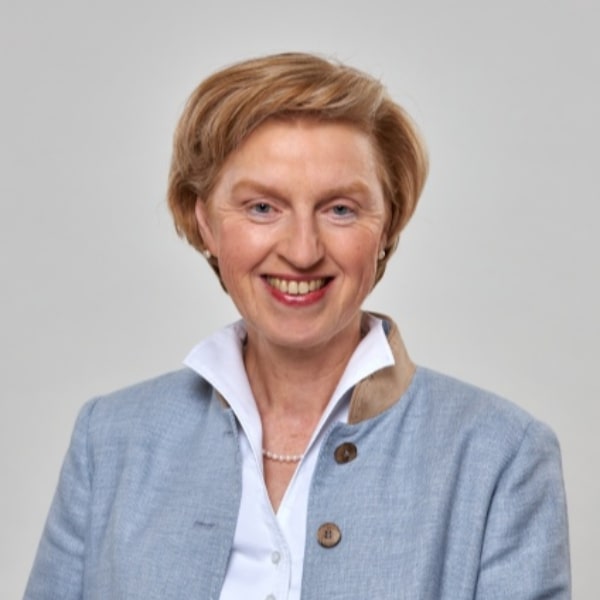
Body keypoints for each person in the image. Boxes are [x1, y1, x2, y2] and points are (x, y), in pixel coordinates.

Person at [24, 52, 570, 599]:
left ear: (386, 226)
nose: (303, 251)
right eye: (263, 207)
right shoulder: (109, 440)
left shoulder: (501, 457)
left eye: (340, 209)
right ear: (205, 222)